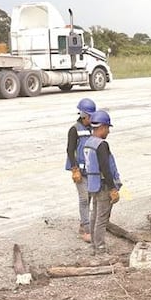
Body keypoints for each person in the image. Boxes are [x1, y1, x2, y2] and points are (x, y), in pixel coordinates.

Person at [82, 109, 122, 255]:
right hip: (104, 185)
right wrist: (113, 189)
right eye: (107, 129)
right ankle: (99, 247)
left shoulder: (88, 143)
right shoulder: (101, 145)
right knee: (102, 218)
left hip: (93, 185)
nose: (108, 132)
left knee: (94, 215)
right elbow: (106, 168)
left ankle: (94, 243)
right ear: (102, 127)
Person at [66, 98, 97, 242]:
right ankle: (86, 229)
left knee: (90, 197)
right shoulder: (74, 129)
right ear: (84, 115)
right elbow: (70, 150)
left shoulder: (93, 128)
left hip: (91, 170)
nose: (91, 119)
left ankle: (83, 223)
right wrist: (74, 169)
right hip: (79, 171)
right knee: (84, 199)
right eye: (90, 116)